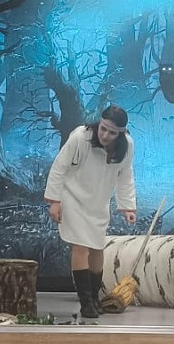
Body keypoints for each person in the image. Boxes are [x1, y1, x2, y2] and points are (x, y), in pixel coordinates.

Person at [44, 105, 137, 318]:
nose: (105, 135)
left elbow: (125, 175)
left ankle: (94, 297)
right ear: (99, 123)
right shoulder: (80, 137)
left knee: (97, 248)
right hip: (73, 198)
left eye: (112, 132)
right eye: (103, 128)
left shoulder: (127, 146)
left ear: (121, 133)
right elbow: (59, 167)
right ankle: (85, 302)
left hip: (98, 201)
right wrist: (55, 201)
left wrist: (127, 206)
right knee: (80, 247)